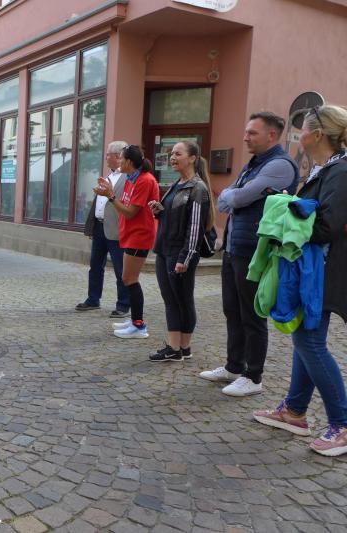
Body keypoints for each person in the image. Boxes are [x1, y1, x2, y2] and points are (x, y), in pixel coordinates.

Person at [252, 104, 347, 456]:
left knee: (310, 343)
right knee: (304, 338)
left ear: (318, 134)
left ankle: (342, 424)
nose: (298, 135)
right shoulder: (327, 169)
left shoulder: (340, 172)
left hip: (322, 273)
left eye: (302, 129)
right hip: (313, 270)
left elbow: (326, 225)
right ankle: (294, 411)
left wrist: (287, 214)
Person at [199, 111, 299, 396]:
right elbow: (227, 198)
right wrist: (235, 195)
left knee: (252, 314)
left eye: (252, 133)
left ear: (271, 135)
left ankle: (253, 376)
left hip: (255, 250)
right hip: (234, 247)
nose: (245, 138)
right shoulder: (254, 164)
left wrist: (235, 195)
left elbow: (239, 196)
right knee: (232, 310)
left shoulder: (280, 165)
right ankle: (234, 366)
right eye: (246, 132)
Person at [147, 141, 214, 362]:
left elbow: (195, 228)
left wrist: (185, 257)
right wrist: (160, 211)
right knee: (171, 300)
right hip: (165, 249)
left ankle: (176, 348)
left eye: (178, 153)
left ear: (192, 158)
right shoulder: (178, 183)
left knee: (182, 300)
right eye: (171, 154)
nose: (172, 157)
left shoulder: (197, 188)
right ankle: (181, 348)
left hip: (180, 252)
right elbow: (177, 217)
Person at [94, 145, 159, 339]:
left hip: (140, 235)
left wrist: (110, 196)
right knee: (127, 278)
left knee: (130, 279)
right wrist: (108, 192)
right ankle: (134, 321)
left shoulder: (145, 180)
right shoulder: (131, 178)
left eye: (121, 158)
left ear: (129, 162)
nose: (119, 161)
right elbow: (125, 206)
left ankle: (139, 326)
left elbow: (130, 212)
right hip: (130, 234)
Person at [78, 140, 130, 318]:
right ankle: (93, 299)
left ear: (116, 156)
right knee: (95, 265)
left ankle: (123, 304)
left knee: (120, 268)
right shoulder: (108, 176)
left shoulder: (128, 177)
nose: (106, 157)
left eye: (108, 154)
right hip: (100, 227)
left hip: (116, 228)